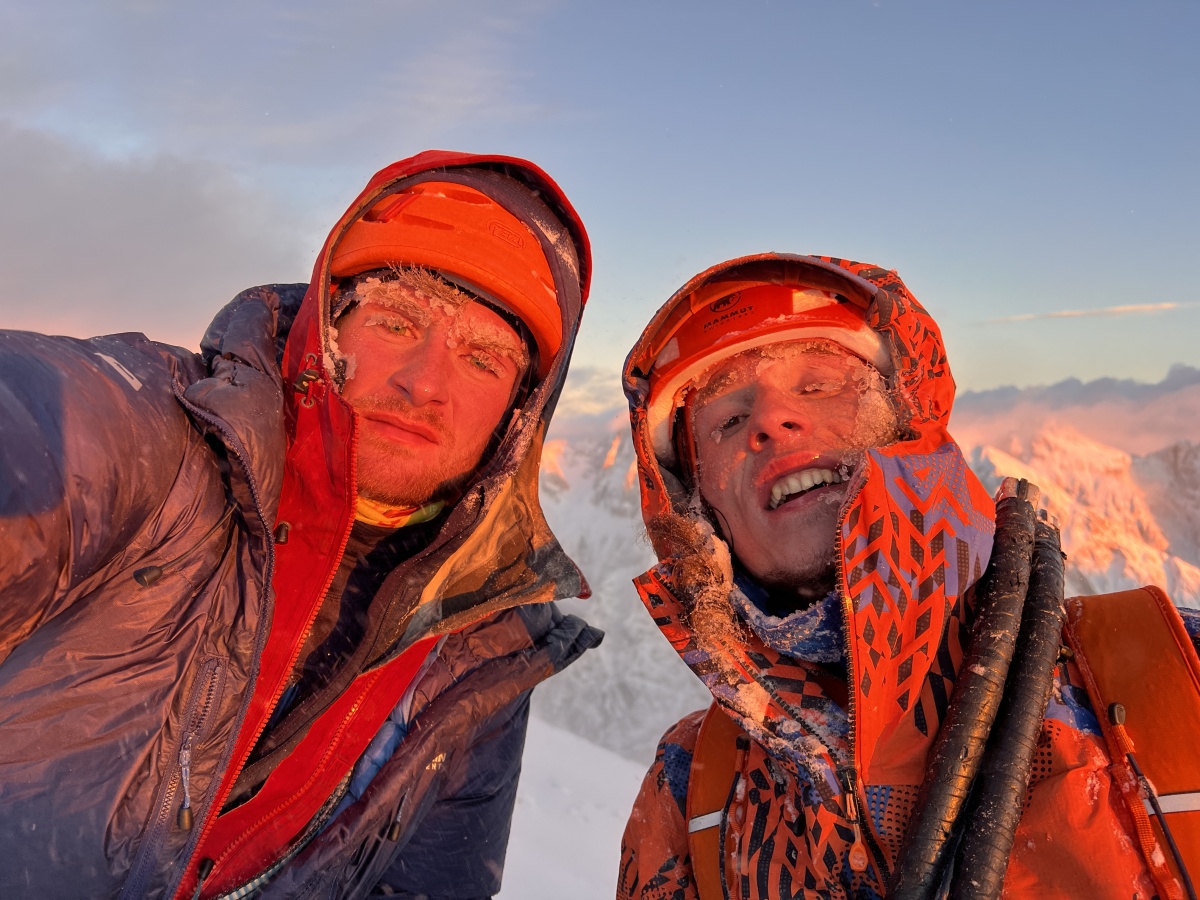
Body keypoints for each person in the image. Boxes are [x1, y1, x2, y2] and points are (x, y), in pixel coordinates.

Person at [0, 150, 602, 899]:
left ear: (519, 413)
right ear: (329, 326)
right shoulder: (166, 442)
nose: (424, 382)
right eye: (396, 320)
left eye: (484, 359)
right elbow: (37, 427)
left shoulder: (488, 642)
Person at [616, 253, 1200, 899]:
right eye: (726, 420)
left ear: (906, 418)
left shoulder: (1178, 672)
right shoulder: (691, 795)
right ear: (696, 508)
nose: (770, 420)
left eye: (819, 385)